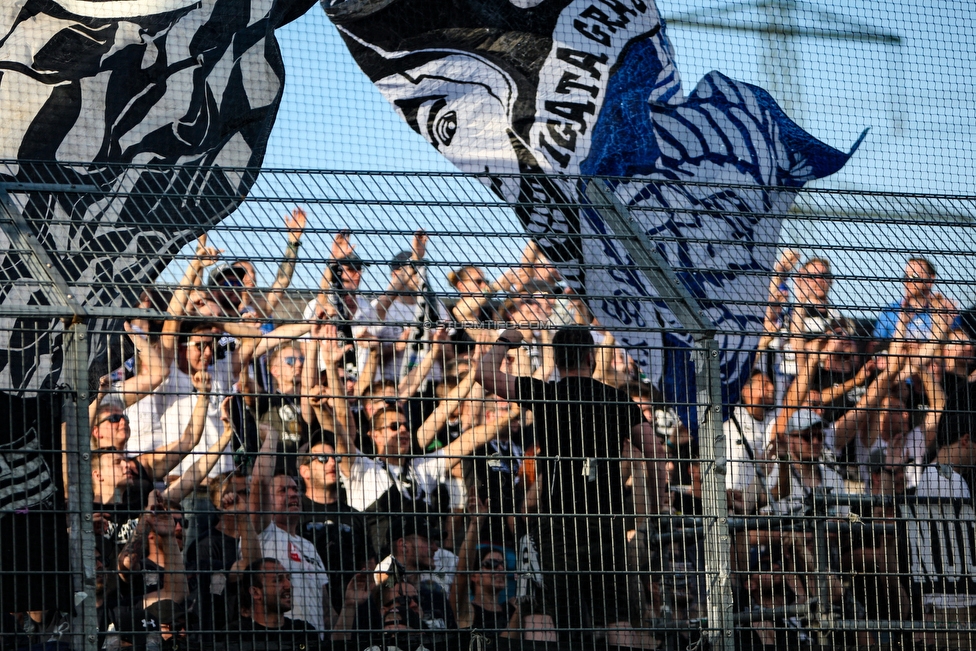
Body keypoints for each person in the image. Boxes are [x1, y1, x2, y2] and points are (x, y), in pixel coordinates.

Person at [477, 326, 667, 646]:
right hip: (605, 520)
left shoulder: (546, 394)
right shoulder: (617, 399)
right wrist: (658, 498)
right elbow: (654, 452)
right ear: (590, 358)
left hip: (557, 520)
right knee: (614, 614)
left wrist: (508, 340)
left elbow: (484, 372)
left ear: (556, 359)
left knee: (543, 609)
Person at [249, 418, 334, 631]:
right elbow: (259, 481)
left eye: (295, 489)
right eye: (283, 491)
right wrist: (273, 436)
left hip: (313, 641)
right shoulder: (263, 533)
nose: (293, 494)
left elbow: (326, 610)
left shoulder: (309, 547)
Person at [297, 438, 374, 614]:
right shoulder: (295, 513)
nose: (332, 462)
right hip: (309, 606)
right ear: (305, 471)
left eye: (335, 458)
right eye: (323, 458)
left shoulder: (355, 516)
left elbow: (369, 566)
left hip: (353, 608)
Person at [232, 559, 322, 649]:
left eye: (288, 578)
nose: (288, 585)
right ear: (256, 592)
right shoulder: (237, 634)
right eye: (278, 580)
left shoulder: (304, 632)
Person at [873, 257, 957, 343]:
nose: (908, 280)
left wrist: (946, 326)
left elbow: (955, 346)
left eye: (914, 276)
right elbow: (876, 348)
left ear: (930, 280)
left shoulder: (945, 311)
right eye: (906, 276)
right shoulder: (890, 312)